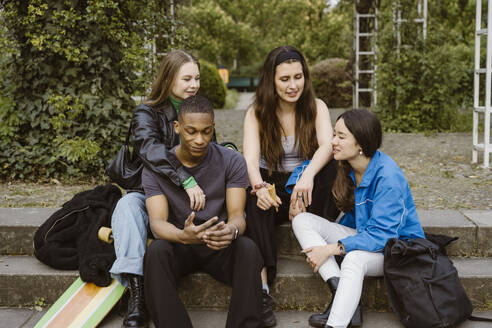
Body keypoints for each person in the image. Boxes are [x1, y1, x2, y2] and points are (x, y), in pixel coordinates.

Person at [291, 109, 426, 328]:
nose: (333, 141)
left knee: (353, 260)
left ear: (361, 143)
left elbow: (383, 236)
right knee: (302, 221)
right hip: (368, 238)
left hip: (397, 250)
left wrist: (333, 248)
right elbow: (357, 221)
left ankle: (335, 324)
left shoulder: (387, 177)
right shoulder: (349, 167)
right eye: (334, 134)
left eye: (341, 137)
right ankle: (340, 295)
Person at [142, 95, 263, 328]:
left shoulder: (232, 161)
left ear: (213, 128)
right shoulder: (158, 167)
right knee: (156, 252)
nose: (199, 139)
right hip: (181, 244)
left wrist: (232, 231)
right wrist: (181, 235)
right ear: (177, 128)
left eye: (206, 132)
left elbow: (238, 215)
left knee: (248, 248)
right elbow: (157, 223)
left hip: (218, 245)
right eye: (191, 131)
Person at [109, 50, 208, 328]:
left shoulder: (199, 108)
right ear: (169, 78)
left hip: (188, 198)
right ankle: (137, 295)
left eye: (197, 78)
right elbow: (149, 149)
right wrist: (184, 179)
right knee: (127, 206)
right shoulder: (146, 112)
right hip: (151, 191)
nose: (194, 84)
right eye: (186, 78)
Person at [243, 45, 340, 326]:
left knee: (331, 168)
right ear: (270, 80)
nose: (293, 85)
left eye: (298, 77)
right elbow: (249, 159)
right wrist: (260, 188)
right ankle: (262, 292)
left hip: (305, 185)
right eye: (284, 79)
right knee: (250, 196)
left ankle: (310, 224)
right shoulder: (257, 112)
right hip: (271, 181)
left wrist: (307, 175)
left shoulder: (316, 106)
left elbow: (326, 146)